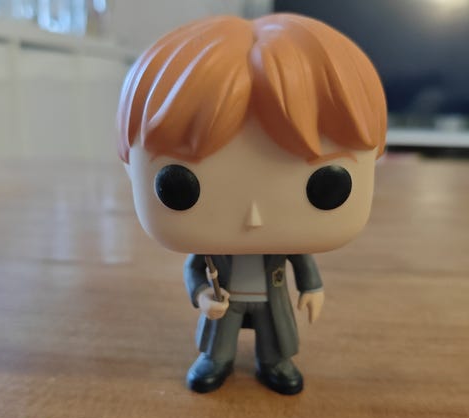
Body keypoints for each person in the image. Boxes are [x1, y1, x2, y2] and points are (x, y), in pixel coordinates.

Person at [116, 14, 387, 394]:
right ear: (130, 169)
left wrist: (312, 288)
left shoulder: (288, 243)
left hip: (270, 299)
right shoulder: (209, 251)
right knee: (219, 340)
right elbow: (194, 269)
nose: (254, 218)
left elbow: (301, 261)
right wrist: (202, 295)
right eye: (179, 186)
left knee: (275, 338)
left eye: (327, 185)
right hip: (225, 300)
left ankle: (275, 362)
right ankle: (216, 361)